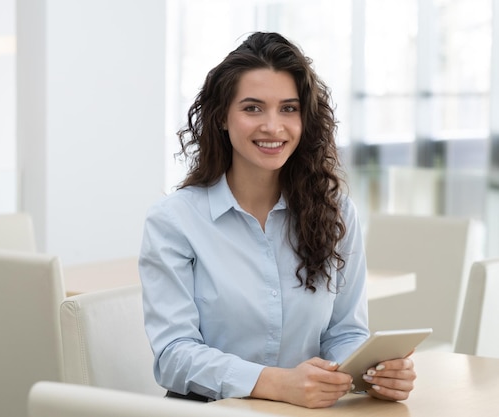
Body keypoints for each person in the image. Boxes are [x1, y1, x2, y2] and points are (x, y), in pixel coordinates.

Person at [138, 31, 416, 409]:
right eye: (252, 108)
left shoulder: (336, 213)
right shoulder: (175, 220)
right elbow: (174, 356)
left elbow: (345, 333)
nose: (273, 126)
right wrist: (276, 383)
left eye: (289, 108)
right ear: (222, 116)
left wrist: (372, 372)